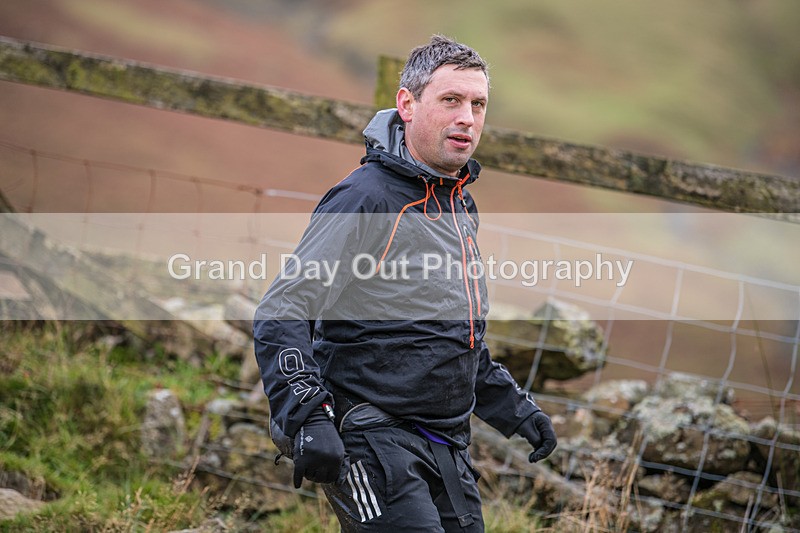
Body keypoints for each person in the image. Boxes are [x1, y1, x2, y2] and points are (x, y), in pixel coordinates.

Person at [253, 35, 556, 532]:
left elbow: (447, 332)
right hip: (370, 435)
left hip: (446, 444)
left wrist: (512, 408)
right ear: (407, 104)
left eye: (478, 104)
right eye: (451, 100)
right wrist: (307, 416)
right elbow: (282, 309)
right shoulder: (364, 199)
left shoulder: (457, 203)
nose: (467, 118)